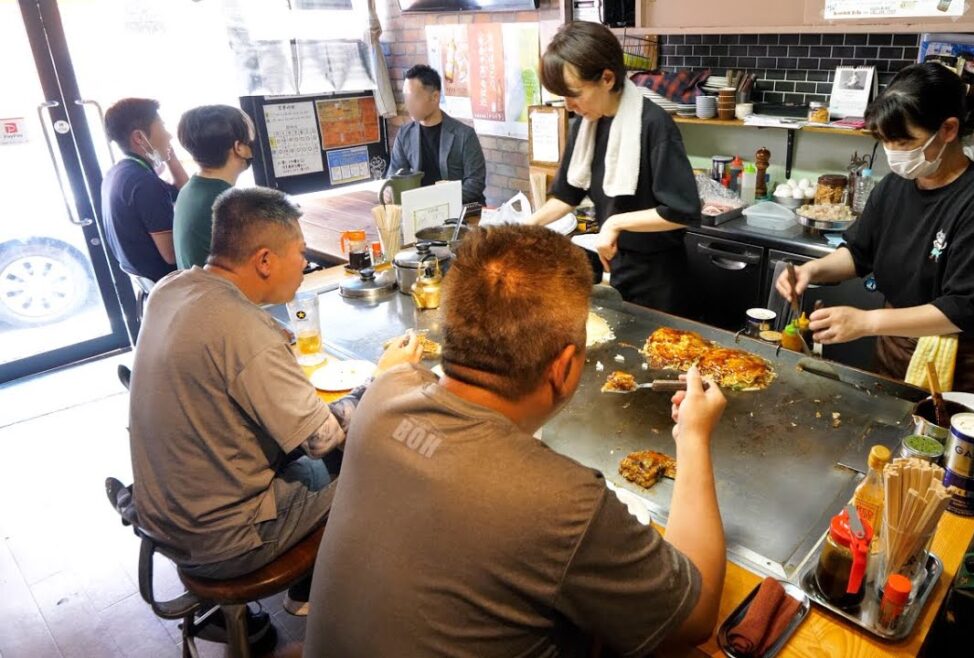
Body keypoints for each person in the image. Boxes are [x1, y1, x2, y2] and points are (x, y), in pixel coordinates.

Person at [304, 224, 727, 657]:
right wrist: (692, 436)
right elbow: (694, 618)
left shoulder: (383, 394)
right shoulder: (565, 502)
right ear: (563, 367)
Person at [128, 187, 421, 622]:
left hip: (165, 521)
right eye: (300, 253)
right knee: (385, 467)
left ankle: (311, 584)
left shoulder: (173, 288)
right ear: (264, 260)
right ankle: (365, 612)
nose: (305, 264)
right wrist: (383, 374)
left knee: (315, 458)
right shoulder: (246, 331)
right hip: (226, 539)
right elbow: (322, 438)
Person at [777, 63, 974, 401]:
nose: (894, 153)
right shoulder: (895, 185)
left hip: (964, 365)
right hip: (897, 348)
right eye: (887, 142)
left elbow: (964, 308)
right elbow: (859, 252)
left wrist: (865, 322)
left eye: (905, 141)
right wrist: (811, 270)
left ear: (949, 129)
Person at [525, 21, 701, 315]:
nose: (568, 106)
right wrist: (524, 227)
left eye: (574, 94)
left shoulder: (654, 125)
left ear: (607, 78)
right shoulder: (586, 124)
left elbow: (681, 211)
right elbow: (567, 195)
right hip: (617, 265)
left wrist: (614, 223)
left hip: (659, 277)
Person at [100, 97, 189, 284]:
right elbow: (172, 255)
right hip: (166, 286)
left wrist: (169, 156)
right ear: (139, 137)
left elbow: (183, 191)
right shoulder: (144, 183)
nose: (169, 136)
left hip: (146, 283)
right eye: (162, 127)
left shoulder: (120, 172)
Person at [388, 64, 486, 205]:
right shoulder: (405, 134)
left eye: (413, 98)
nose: (407, 104)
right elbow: (395, 175)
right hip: (420, 211)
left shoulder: (464, 135)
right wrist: (389, 190)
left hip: (460, 211)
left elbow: (475, 182)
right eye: (405, 97)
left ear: (434, 97)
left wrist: (440, 202)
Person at [173, 104, 255, 269]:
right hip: (223, 293)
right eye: (250, 138)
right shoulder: (230, 204)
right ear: (239, 148)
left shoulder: (188, 190)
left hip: (199, 291)